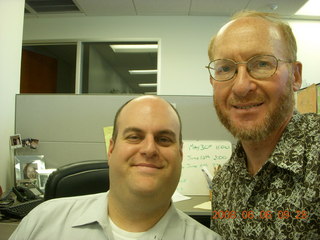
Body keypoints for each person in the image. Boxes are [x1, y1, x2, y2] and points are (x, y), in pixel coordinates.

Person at [10, 95, 221, 240]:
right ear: (111, 149)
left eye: (164, 139)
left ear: (181, 154)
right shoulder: (43, 222)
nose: (149, 149)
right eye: (134, 137)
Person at [206, 10, 320, 239]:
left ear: (295, 76)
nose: (240, 86)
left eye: (261, 64)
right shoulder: (223, 183)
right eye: (226, 68)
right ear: (212, 80)